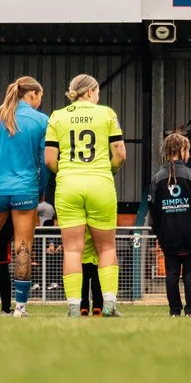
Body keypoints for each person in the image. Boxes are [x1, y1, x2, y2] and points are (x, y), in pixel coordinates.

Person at [44, 74, 126, 318]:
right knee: (106, 247)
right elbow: (120, 154)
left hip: (68, 185)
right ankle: (109, 305)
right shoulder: (107, 114)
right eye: (97, 91)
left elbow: (49, 159)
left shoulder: (57, 116)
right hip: (100, 182)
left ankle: (73, 305)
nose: (98, 96)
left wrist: (68, 172)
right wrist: (107, 170)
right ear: (90, 92)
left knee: (72, 250)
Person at [0, 76, 49, 316]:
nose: (39, 102)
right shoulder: (42, 120)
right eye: (40, 98)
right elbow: (45, 162)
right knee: (23, 248)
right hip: (25, 190)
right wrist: (41, 189)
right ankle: (20, 307)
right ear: (33, 94)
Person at [144, 132, 191, 315]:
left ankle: (174, 310)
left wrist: (157, 232)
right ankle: (190, 311)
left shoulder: (158, 178)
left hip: (168, 235)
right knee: (190, 272)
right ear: (182, 151)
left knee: (171, 272)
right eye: (188, 151)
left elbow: (153, 209)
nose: (190, 155)